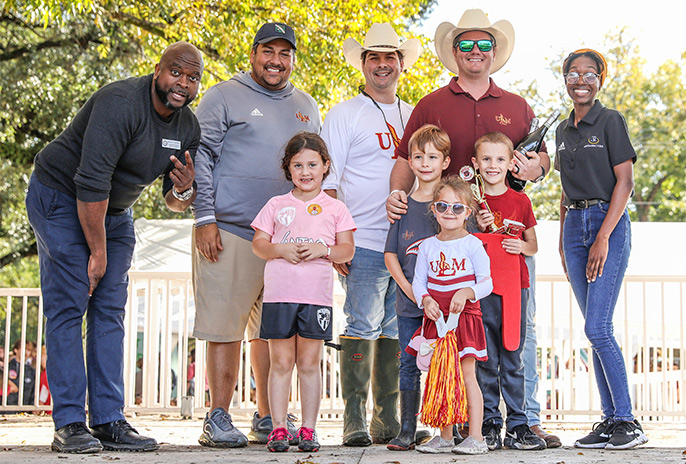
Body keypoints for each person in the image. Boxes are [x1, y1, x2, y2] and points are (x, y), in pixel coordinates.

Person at [386, 8, 559, 446]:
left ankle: (526, 418)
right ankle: (471, 419)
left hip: (507, 234)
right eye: (467, 44)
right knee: (464, 327)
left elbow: (542, 160)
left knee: (521, 327)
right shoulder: (432, 103)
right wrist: (397, 197)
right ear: (455, 51)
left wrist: (534, 167)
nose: (476, 52)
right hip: (452, 234)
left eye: (484, 44)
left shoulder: (517, 106)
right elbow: (407, 157)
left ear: (495, 51)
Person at [25, 41, 202, 454]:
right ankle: (69, 423)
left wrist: (186, 188)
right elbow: (90, 184)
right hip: (61, 196)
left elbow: (173, 201)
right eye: (176, 72)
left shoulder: (186, 127)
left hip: (114, 210)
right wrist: (98, 254)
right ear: (158, 69)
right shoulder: (119, 102)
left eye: (192, 78)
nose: (183, 83)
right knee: (70, 305)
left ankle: (107, 420)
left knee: (110, 310)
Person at [191, 22, 320, 448]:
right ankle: (218, 416)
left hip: (287, 243)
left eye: (285, 54)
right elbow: (202, 157)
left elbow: (315, 171)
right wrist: (204, 218)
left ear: (293, 60)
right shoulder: (223, 95)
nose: (276, 61)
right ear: (253, 53)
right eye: (269, 51)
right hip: (230, 230)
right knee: (224, 326)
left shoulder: (306, 105)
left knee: (274, 331)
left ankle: (269, 418)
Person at [320, 23, 421, 446]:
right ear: (363, 64)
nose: (383, 64)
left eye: (390, 57)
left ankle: (387, 420)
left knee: (396, 330)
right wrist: (334, 239)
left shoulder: (414, 114)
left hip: (406, 242)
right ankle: (355, 419)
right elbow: (329, 181)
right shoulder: (345, 113)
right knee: (361, 323)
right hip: (361, 240)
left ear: (401, 64)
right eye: (374, 57)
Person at [556, 48, 647, 450]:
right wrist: (563, 239)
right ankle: (610, 421)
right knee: (594, 331)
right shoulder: (562, 130)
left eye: (589, 74)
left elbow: (624, 184)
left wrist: (604, 235)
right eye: (573, 73)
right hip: (574, 226)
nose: (581, 80)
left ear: (600, 81)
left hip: (606, 224)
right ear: (566, 80)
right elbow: (563, 191)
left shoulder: (610, 121)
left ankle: (629, 421)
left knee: (598, 327)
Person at [251, 132, 356, 452]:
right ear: (288, 169)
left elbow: (346, 251)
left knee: (310, 363)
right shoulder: (276, 205)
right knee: (280, 363)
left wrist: (322, 249)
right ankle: (279, 428)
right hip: (280, 296)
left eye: (313, 164)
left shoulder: (335, 208)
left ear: (326, 166)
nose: (306, 171)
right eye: (298, 165)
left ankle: (309, 429)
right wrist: (280, 249)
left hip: (316, 298)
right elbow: (259, 245)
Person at [471, 132, 546, 451]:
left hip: (516, 288)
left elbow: (533, 245)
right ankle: (489, 422)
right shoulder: (473, 202)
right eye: (486, 159)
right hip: (482, 289)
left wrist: (520, 246)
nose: (493, 165)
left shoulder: (521, 200)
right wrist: (477, 223)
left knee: (513, 355)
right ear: (475, 164)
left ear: (510, 164)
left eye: (500, 159)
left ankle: (518, 424)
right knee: (485, 357)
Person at [408, 176, 492, 455]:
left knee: (466, 375)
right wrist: (425, 299)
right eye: (443, 206)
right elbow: (419, 281)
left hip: (463, 318)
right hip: (436, 319)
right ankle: (445, 436)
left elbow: (486, 282)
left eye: (457, 208)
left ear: (468, 212)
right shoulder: (428, 246)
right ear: (434, 209)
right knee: (441, 373)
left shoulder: (473, 244)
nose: (449, 213)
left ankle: (477, 437)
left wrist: (466, 291)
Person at [384, 125, 449, 451]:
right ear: (409, 161)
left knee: (446, 363)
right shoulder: (402, 206)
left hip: (447, 307)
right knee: (409, 364)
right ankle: (408, 429)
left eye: (432, 157)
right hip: (410, 305)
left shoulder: (450, 206)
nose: (425, 163)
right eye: (419, 156)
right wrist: (410, 290)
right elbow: (390, 255)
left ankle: (450, 429)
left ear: (445, 161)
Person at [7, 340, 36, 406]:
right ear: (16, 350)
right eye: (23, 348)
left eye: (28, 350)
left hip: (25, 411)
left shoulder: (32, 371)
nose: (26, 352)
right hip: (6, 410)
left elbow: (33, 393)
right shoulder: (6, 368)